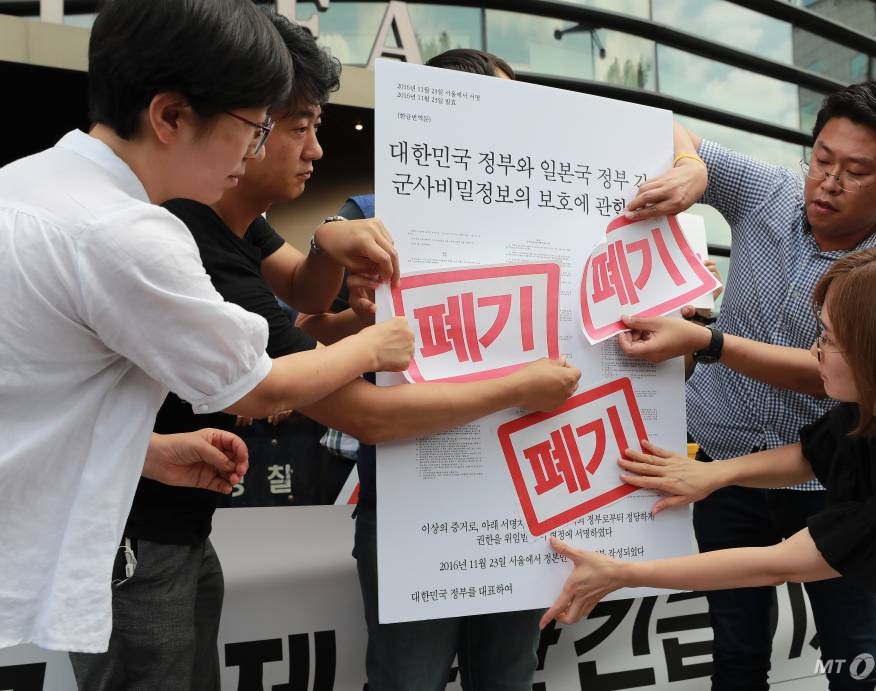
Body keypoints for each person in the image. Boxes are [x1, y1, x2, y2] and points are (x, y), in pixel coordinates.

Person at [65, 33, 576, 690]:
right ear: (186, 119)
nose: (316, 150)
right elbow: (314, 396)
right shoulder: (183, 236)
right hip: (137, 536)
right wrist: (383, 347)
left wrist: (332, 260)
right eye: (290, 128)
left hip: (175, 523)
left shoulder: (231, 220)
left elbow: (305, 295)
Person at [0, 0, 417, 656]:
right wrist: (375, 343)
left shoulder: (33, 184)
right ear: (171, 116)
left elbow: (27, 393)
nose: (254, 151)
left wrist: (147, 452)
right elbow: (259, 387)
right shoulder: (129, 233)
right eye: (255, 128)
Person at [543, 240, 876, 690]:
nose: (815, 351)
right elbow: (815, 454)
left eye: (829, 339)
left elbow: (778, 564)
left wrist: (621, 573)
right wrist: (717, 473)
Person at [614, 81, 876, 690]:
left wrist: (710, 343)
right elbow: (667, 127)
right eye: (822, 159)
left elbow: (834, 379)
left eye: (856, 171)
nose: (828, 183)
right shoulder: (769, 191)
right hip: (720, 461)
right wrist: (689, 169)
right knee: (735, 650)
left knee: (850, 649)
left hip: (829, 479)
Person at [299, 49, 563, 691]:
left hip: (518, 495)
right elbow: (304, 325)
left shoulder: (551, 219)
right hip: (409, 495)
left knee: (507, 673)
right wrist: (334, 253)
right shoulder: (371, 220)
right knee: (406, 676)